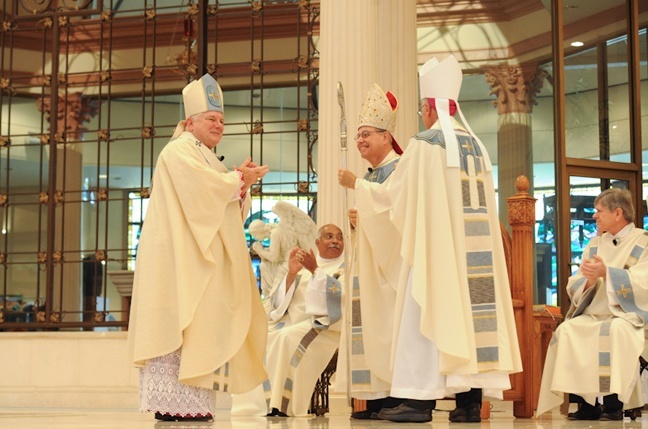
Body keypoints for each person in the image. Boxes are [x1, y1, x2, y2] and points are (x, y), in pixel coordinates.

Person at [383, 55, 522, 423]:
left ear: (430, 108)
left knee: (424, 310)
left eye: (422, 109)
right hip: (476, 257)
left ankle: (418, 402)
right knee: (473, 322)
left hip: (439, 250)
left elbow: (399, 194)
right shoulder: (477, 146)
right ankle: (469, 403)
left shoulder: (425, 143)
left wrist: (366, 190)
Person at [127, 73, 270, 422]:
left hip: (193, 257)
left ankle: (190, 404)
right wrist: (238, 180)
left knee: (197, 330)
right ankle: (173, 405)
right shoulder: (178, 150)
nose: (219, 125)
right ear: (190, 121)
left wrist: (238, 185)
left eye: (222, 120)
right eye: (212, 119)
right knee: (175, 326)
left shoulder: (205, 156)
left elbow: (217, 201)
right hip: (175, 258)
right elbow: (203, 192)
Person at [537, 188, 648, 421]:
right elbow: (576, 281)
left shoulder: (643, 242)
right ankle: (585, 404)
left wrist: (608, 273)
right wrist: (588, 281)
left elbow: (643, 283)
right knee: (568, 330)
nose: (594, 216)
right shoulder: (596, 244)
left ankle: (613, 405)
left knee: (615, 330)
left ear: (618, 213)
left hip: (628, 316)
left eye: (599, 211)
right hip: (594, 312)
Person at [336, 83, 406, 419]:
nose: (360, 140)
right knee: (371, 328)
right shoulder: (373, 173)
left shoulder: (400, 169)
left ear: (386, 137)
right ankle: (374, 398)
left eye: (366, 134)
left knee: (388, 329)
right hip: (370, 267)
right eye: (358, 135)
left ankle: (393, 397)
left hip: (390, 271)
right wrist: (356, 221)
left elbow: (396, 210)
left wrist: (357, 187)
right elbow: (375, 213)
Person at [231, 223, 345, 417]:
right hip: (292, 323)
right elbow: (276, 305)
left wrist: (316, 271)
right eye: (328, 236)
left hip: (324, 327)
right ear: (317, 242)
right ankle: (260, 403)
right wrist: (292, 274)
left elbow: (339, 302)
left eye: (339, 237)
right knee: (257, 337)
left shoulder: (346, 268)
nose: (335, 240)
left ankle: (282, 403)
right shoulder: (302, 269)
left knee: (286, 337)